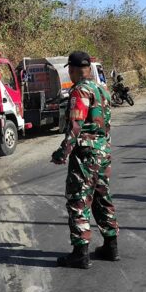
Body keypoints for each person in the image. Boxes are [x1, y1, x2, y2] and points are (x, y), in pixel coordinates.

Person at [51, 51, 119, 269]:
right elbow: (105, 126)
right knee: (102, 198)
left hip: (85, 155)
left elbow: (75, 125)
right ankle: (111, 246)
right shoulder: (102, 90)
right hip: (103, 152)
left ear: (71, 70)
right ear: (89, 68)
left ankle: (80, 253)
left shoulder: (79, 90)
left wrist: (63, 152)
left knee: (79, 200)